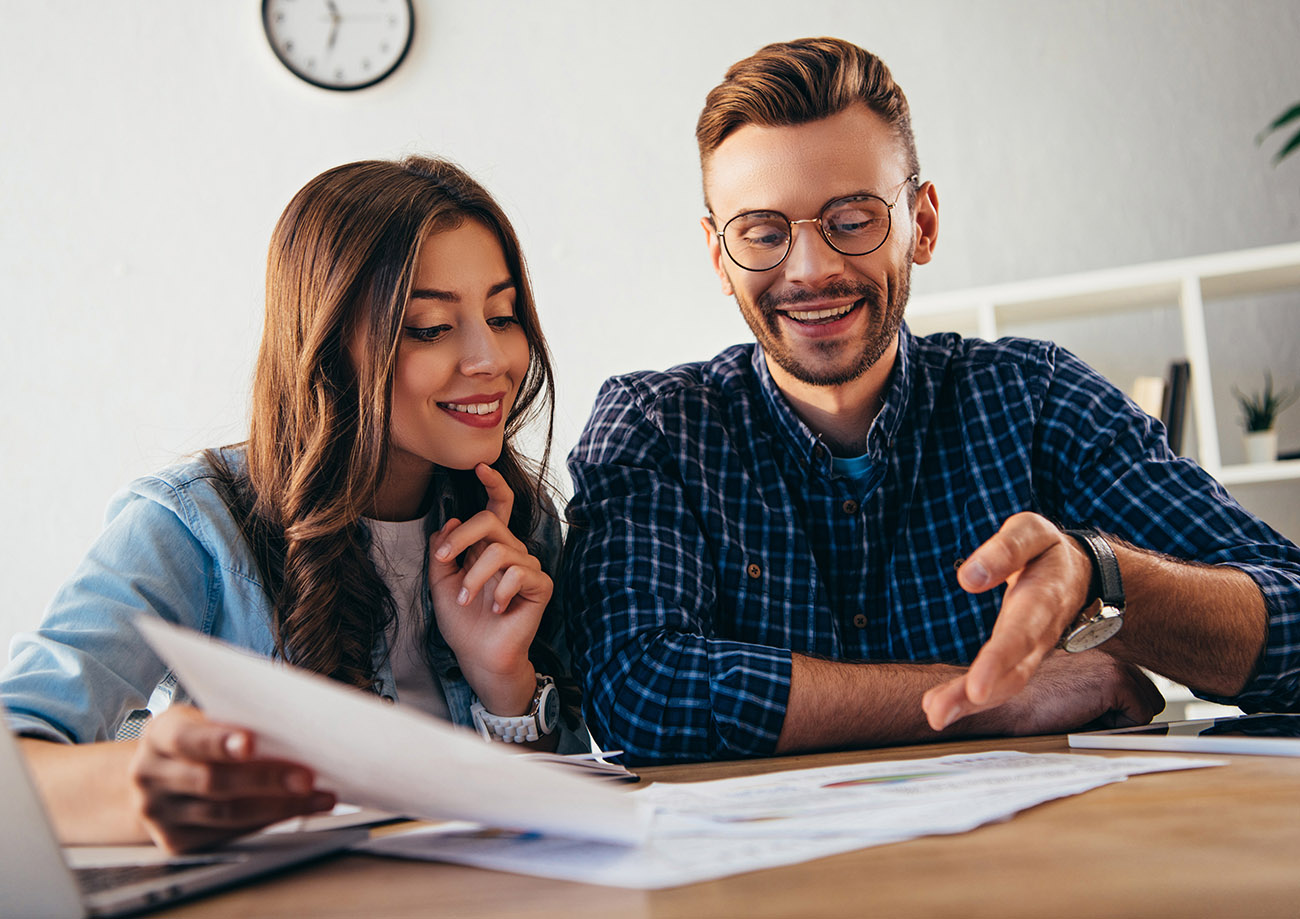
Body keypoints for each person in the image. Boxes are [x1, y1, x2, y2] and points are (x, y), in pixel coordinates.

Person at [562, 37, 1300, 765]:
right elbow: (634, 690)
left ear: (923, 222)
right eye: (763, 233)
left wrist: (1103, 578)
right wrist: (993, 698)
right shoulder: (655, 428)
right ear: (720, 256)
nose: (812, 269)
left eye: (852, 219)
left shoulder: (1033, 398)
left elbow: (1292, 619)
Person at [1, 156, 581, 852]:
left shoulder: (521, 526)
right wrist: (137, 783)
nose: (491, 357)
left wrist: (504, 685)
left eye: (503, 313)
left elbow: (561, 824)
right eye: (430, 327)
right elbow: (17, 755)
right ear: (330, 342)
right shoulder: (192, 527)